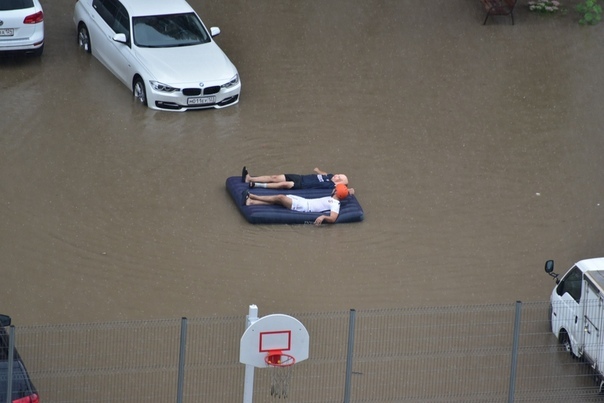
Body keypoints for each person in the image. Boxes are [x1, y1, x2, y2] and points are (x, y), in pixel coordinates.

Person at [243, 183, 350, 225]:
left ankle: (252, 196)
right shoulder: (335, 198)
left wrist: (323, 217)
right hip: (303, 200)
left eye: (335, 189)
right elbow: (347, 192)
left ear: (336, 192)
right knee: (278, 201)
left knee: (280, 197)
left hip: (304, 207)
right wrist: (349, 190)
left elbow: (333, 218)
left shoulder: (335, 204)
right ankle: (251, 202)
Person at [241, 166, 350, 191]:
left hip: (301, 186)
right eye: (338, 174)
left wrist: (349, 190)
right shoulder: (330, 176)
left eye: (339, 177)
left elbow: (342, 190)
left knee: (284, 184)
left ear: (339, 182)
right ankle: (250, 178)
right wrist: (318, 171)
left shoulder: (332, 186)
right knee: (274, 177)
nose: (336, 175)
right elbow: (325, 174)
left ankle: (257, 185)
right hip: (300, 177)